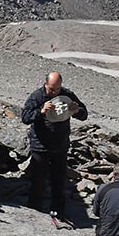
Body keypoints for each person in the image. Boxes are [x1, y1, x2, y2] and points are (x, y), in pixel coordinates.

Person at [21, 71, 88, 223]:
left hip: (60, 145)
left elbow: (84, 114)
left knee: (59, 181)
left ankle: (59, 211)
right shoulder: (37, 96)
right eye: (52, 89)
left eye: (57, 89)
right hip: (41, 146)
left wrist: (76, 110)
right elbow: (25, 117)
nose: (54, 92)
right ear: (46, 84)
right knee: (38, 181)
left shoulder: (67, 94)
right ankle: (34, 210)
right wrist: (41, 111)